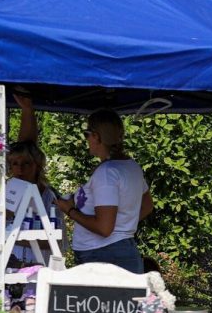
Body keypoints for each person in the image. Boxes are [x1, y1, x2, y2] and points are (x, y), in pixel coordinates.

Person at [54, 110, 152, 273]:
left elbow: (104, 228)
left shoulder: (107, 172)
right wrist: (122, 226)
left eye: (86, 134)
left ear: (96, 136)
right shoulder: (131, 166)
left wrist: (70, 210)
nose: (86, 139)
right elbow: (147, 206)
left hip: (102, 255)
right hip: (121, 250)